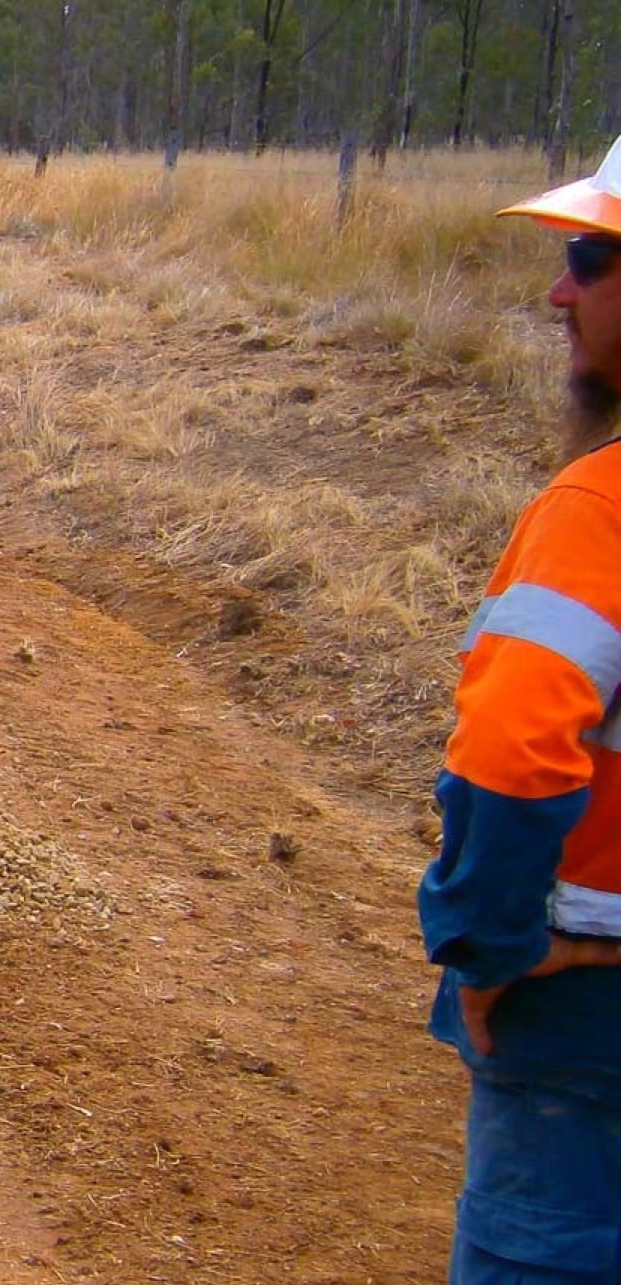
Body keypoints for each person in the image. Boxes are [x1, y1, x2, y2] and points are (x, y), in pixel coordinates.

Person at [421, 136, 621, 1282]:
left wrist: (489, 948)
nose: (557, 289)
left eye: (590, 259)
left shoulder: (598, 507)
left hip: (582, 1017)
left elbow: (508, 751)